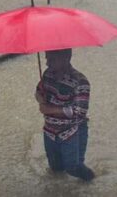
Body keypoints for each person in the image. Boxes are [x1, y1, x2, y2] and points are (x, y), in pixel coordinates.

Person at [35, 49, 95, 182]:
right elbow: (38, 92)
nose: (47, 63)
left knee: (73, 168)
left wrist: (49, 109)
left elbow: (80, 112)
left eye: (52, 59)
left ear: (66, 58)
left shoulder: (80, 81)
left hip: (72, 132)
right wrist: (40, 97)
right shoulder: (47, 75)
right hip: (50, 131)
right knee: (55, 168)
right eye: (46, 58)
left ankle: (92, 183)